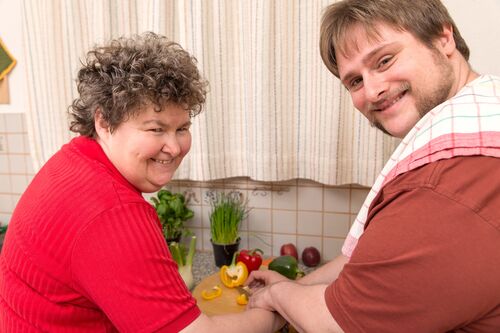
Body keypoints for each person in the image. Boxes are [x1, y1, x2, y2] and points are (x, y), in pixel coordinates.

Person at [0, 32, 283, 332]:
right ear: (104, 122)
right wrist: (277, 312)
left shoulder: (73, 161)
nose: (174, 147)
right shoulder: (112, 213)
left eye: (182, 128)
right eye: (155, 129)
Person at [246, 0, 500, 332]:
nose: (373, 91)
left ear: (443, 38)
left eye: (384, 60)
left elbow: (339, 323)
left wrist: (278, 297)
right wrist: (300, 286)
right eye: (354, 82)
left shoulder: (445, 184)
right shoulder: (478, 111)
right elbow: (365, 262)